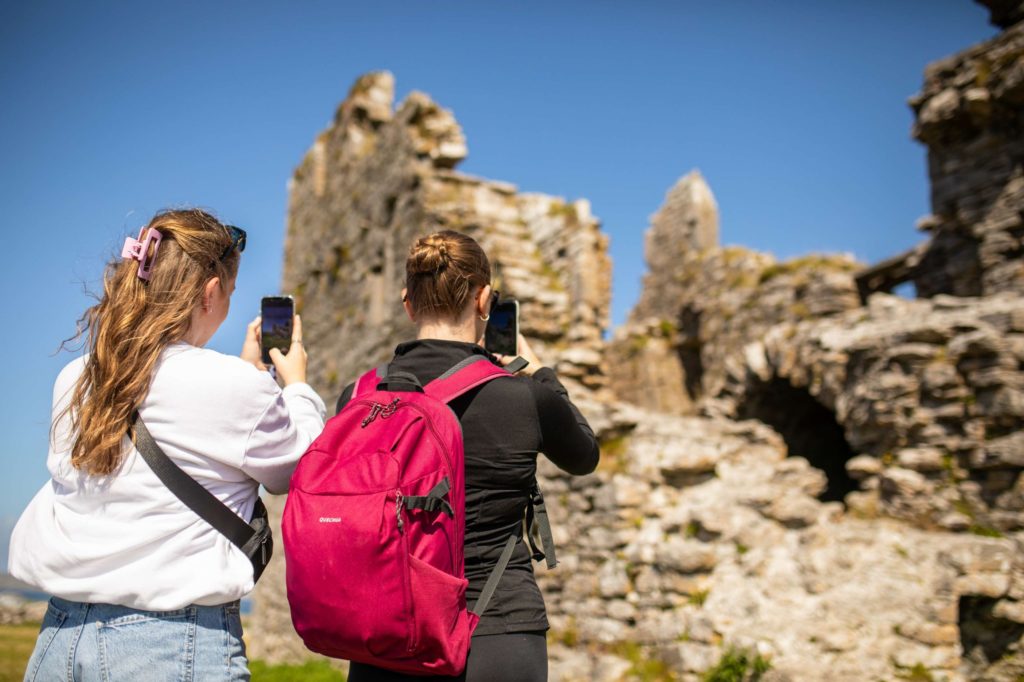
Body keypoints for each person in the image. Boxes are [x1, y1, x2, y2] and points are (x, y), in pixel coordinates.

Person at [9, 209, 326, 681]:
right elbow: (297, 467)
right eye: (230, 293)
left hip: (60, 635)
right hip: (172, 644)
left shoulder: (75, 378)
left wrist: (247, 377)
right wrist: (297, 385)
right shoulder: (233, 385)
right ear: (211, 291)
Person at [339, 230, 600, 682]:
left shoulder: (359, 396)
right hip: (499, 631)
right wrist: (542, 376)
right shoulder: (525, 398)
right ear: (484, 301)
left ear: (407, 303)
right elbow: (585, 455)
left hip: (389, 634)